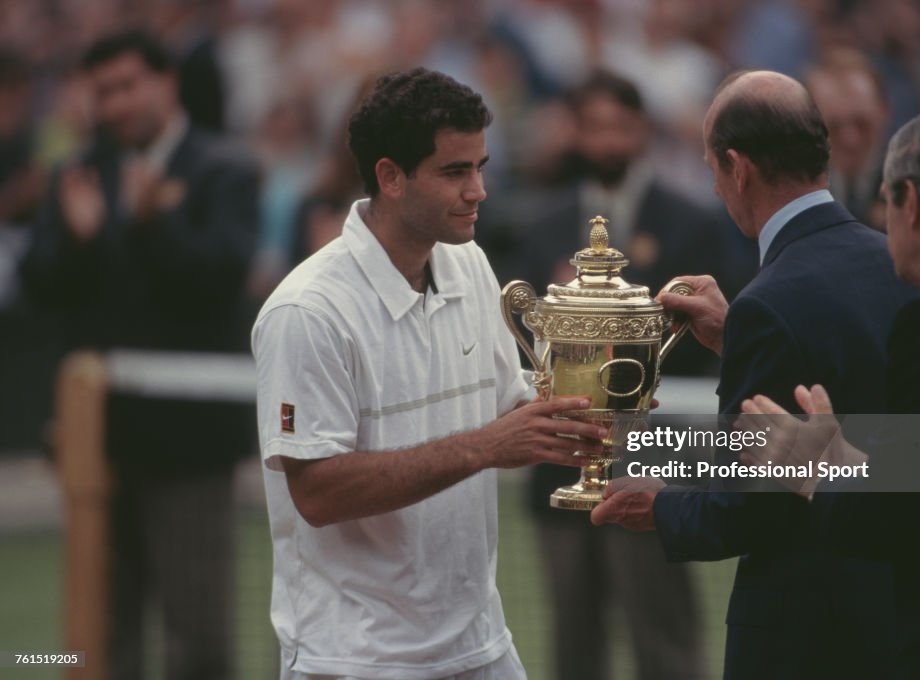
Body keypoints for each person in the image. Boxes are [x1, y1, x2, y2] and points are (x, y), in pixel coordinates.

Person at [251, 67, 606, 680]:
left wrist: (602, 406)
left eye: (481, 166)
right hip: (355, 660)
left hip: (482, 645)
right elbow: (316, 493)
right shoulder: (305, 312)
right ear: (390, 177)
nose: (479, 191)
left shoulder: (469, 262)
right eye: (454, 172)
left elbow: (510, 415)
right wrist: (485, 447)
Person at [591, 70, 917, 679]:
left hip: (805, 637)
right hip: (899, 615)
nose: (715, 187)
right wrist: (737, 334)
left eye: (714, 168)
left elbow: (751, 506)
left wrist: (656, 505)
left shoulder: (769, 301)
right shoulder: (891, 260)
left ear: (738, 167)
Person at [741, 109, 920, 677]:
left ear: (910, 202)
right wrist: (846, 456)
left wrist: (812, 467)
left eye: (888, 200)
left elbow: (898, 519)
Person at [20, 29, 259, 680]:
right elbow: (41, 286)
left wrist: (154, 223)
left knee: (201, 642)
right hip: (97, 442)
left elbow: (221, 281)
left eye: (126, 86)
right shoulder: (76, 172)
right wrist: (81, 240)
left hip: (189, 447)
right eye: (102, 93)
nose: (116, 104)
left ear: (165, 83)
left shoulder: (224, 168)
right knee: (97, 638)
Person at [515, 69, 712, 680]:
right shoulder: (535, 226)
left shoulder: (692, 223)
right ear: (574, 133)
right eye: (593, 127)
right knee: (573, 645)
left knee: (664, 639)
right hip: (560, 470)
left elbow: (712, 343)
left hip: (656, 467)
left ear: (642, 131)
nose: (607, 142)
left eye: (619, 127)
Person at [805, 48, 890, 230]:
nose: (850, 140)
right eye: (833, 127)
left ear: (884, 113)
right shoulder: (791, 196)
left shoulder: (913, 194)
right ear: (807, 124)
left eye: (862, 124)